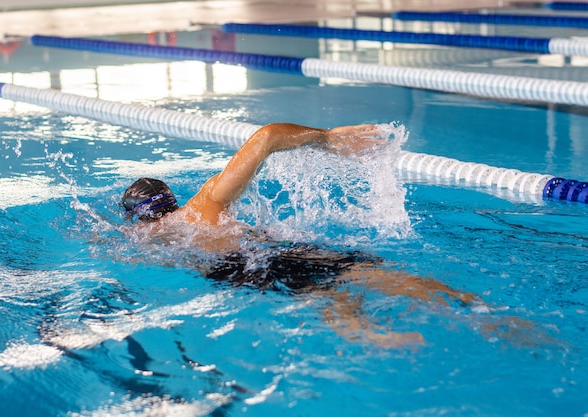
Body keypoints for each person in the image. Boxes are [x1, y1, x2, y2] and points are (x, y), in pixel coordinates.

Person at [122, 123, 477, 347]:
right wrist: (327, 138)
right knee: (364, 272)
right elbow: (266, 137)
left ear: (136, 218)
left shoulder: (142, 238)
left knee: (323, 295)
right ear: (171, 199)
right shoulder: (208, 201)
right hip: (276, 247)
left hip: (240, 267)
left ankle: (372, 337)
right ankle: (472, 304)